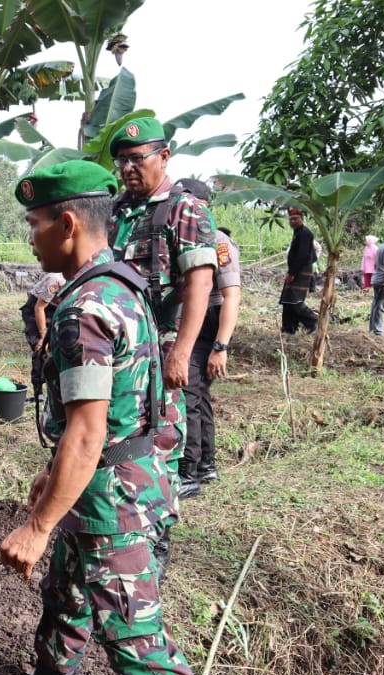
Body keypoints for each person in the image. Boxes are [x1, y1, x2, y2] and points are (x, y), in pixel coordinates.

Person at [0, 159, 267, 675]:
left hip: (118, 493)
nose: (31, 237)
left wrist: (38, 524)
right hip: (128, 474)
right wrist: (55, 484)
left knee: (137, 643)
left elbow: (87, 426)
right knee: (68, 586)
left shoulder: (83, 308)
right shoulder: (122, 285)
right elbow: (120, 409)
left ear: (67, 223)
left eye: (35, 224)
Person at [107, 116, 217, 577]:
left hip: (163, 342)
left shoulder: (184, 209)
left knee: (162, 438)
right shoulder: (114, 210)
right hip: (119, 343)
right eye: (122, 162)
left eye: (137, 159)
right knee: (118, 433)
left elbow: (200, 284)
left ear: (164, 156)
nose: (129, 169)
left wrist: (181, 353)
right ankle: (118, 523)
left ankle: (158, 537)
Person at [173, 179, 241, 499]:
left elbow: (231, 296)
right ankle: (205, 464)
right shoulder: (178, 237)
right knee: (196, 394)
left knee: (187, 393)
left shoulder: (217, 240)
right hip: (192, 319)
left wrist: (221, 346)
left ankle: (188, 471)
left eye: (187, 202)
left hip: (208, 322)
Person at [280, 208, 319, 334]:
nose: (293, 221)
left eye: (296, 218)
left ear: (302, 219)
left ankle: (312, 321)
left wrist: (292, 273)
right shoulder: (298, 232)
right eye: (291, 219)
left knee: (295, 300)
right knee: (287, 300)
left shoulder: (305, 233)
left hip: (301, 269)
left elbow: (302, 256)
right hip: (296, 269)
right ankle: (289, 328)